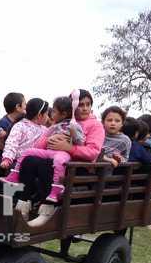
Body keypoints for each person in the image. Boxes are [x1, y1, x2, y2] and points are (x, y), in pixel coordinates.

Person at [18, 89, 105, 226]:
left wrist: (69, 148)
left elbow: (92, 152)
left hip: (77, 168)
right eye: (81, 105)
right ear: (72, 107)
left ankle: (48, 208)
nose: (85, 108)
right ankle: (23, 204)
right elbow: (38, 146)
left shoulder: (95, 125)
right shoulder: (61, 123)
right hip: (56, 160)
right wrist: (50, 139)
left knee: (48, 164)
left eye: (88, 104)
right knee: (29, 160)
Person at [4, 96, 83, 203]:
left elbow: (80, 142)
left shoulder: (74, 125)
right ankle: (15, 174)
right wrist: (49, 139)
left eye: (53, 111)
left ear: (64, 114)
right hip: (49, 152)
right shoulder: (52, 127)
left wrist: (73, 135)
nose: (51, 114)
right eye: (49, 112)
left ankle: (56, 189)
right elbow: (41, 142)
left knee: (58, 161)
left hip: (62, 153)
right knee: (29, 152)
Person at [0, 97, 47, 193]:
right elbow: (11, 143)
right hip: (12, 157)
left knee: (16, 170)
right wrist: (7, 159)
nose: (48, 117)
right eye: (46, 114)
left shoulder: (45, 131)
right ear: (39, 115)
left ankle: (10, 198)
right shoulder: (20, 125)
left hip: (28, 162)